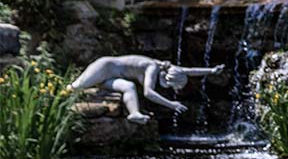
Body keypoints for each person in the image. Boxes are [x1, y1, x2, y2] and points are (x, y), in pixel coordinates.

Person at [70, 55, 224, 123]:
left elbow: (189, 70)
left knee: (129, 86)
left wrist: (210, 71)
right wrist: (171, 105)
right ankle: (54, 94)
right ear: (169, 79)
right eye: (173, 86)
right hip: (104, 67)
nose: (171, 88)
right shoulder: (152, 67)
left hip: (113, 78)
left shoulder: (168, 69)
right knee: (76, 87)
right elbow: (148, 92)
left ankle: (134, 114)